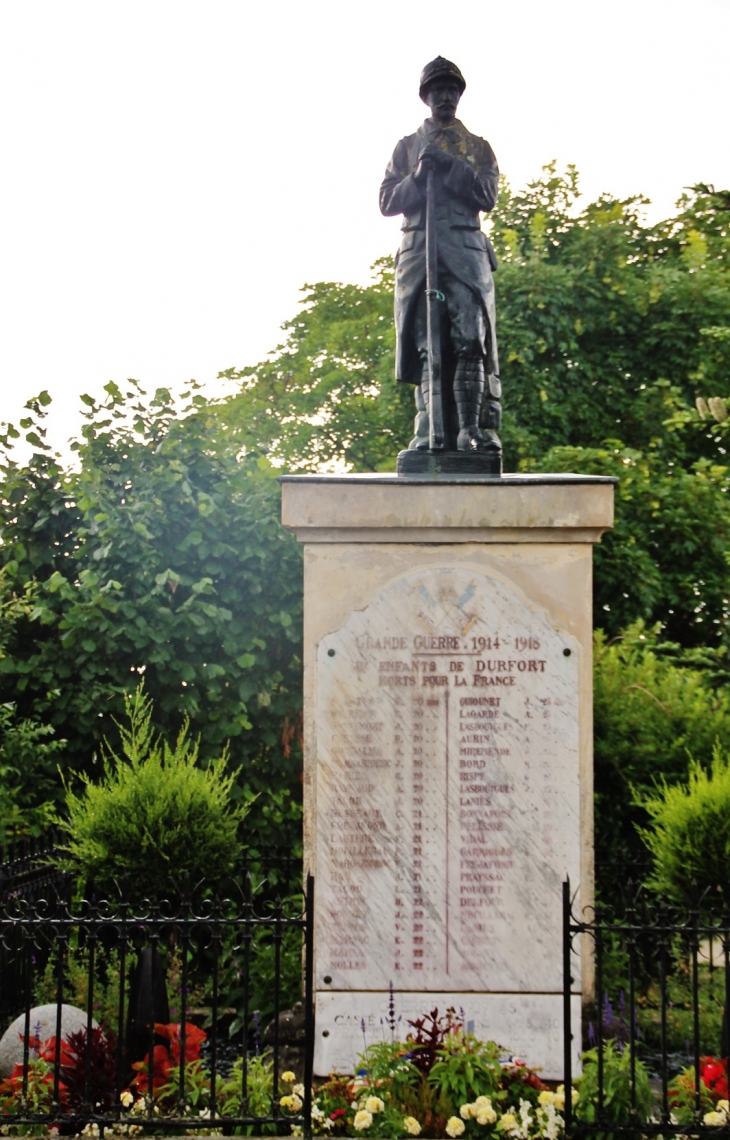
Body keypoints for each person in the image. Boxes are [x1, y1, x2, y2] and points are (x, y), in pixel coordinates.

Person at [380, 56, 501, 457]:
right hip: (419, 253)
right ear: (426, 97)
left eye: (451, 90)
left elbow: (487, 195)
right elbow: (386, 201)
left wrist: (449, 166)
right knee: (425, 343)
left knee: (470, 339)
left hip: (465, 253)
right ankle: (429, 428)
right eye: (438, 91)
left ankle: (472, 430)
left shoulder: (477, 148)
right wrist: (416, 177)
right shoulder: (407, 147)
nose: (445, 97)